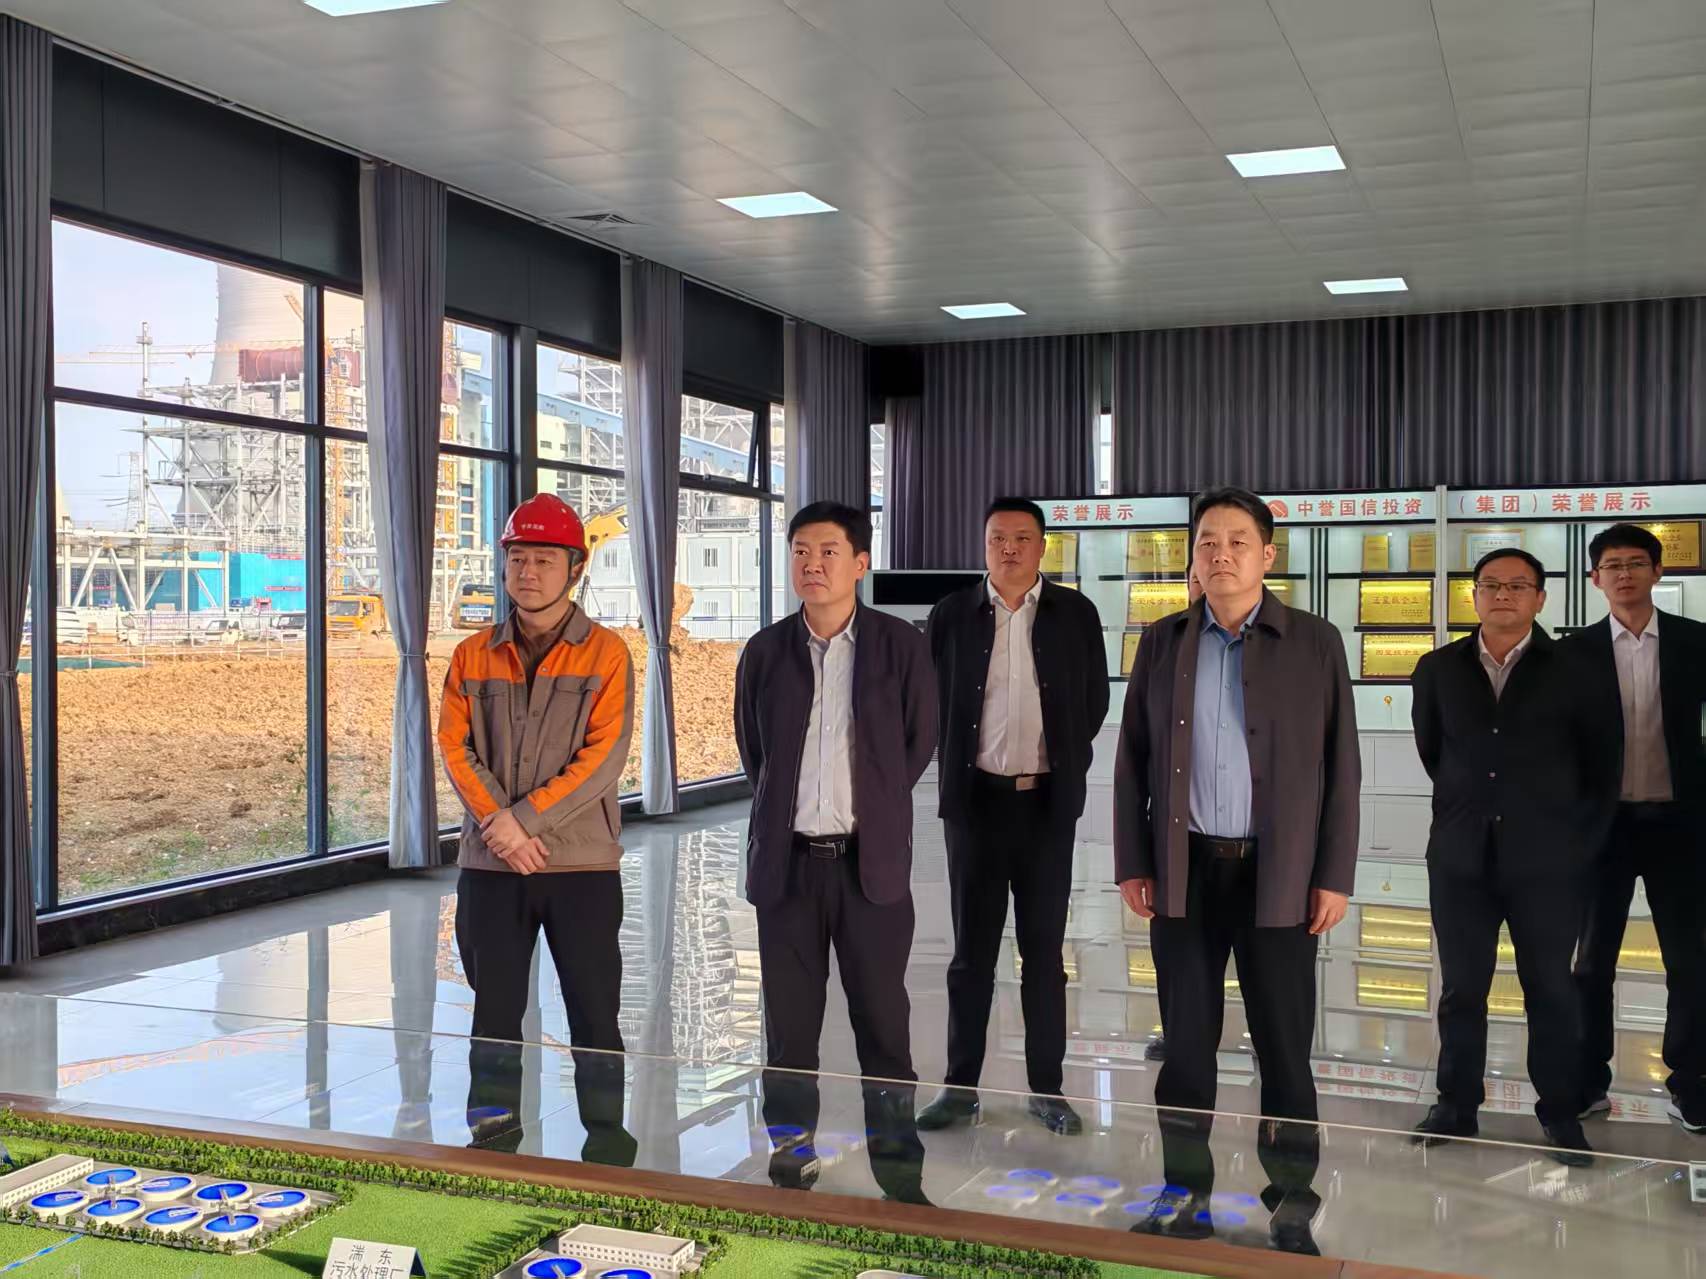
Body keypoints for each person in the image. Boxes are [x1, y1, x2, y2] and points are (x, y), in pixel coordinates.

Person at [1114, 487, 1357, 1254]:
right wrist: (1133, 860)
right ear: (1193, 556)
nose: (1220, 554)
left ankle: (1291, 1198)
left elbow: (1342, 767)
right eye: (1207, 542)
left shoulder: (1314, 642)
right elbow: (1132, 760)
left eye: (1237, 542)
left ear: (1267, 555)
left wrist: (1333, 872)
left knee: (1283, 1046)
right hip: (1185, 870)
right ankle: (1184, 1192)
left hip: (1278, 875)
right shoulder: (1163, 641)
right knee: (1186, 1047)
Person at [734, 500, 937, 1201]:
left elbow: (917, 743)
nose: (812, 564)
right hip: (786, 870)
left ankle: (899, 1169)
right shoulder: (765, 651)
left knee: (883, 1024)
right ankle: (791, 1157)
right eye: (800, 551)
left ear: (860, 563)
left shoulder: (900, 646)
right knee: (790, 1031)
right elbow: (756, 753)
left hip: (868, 868)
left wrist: (871, 805)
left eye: (828, 552)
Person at [1409, 547, 1617, 1164]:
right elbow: (1434, 752)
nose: (1503, 594)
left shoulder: (1578, 670)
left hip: (1548, 864)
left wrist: (1575, 845)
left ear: (1540, 598)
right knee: (1461, 989)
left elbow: (1602, 768)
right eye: (1491, 584)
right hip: (1461, 860)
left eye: (1518, 586)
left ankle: (1560, 1112)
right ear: (1473, 595)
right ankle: (1456, 1105)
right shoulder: (1438, 668)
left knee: (1551, 988)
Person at [916, 498, 1109, 1136]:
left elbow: (1094, 700)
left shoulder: (1075, 613)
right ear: (984, 543)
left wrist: (1066, 757)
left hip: (1046, 807)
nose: (1009, 548)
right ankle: (959, 1088)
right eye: (998, 537)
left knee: (1043, 955)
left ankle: (1047, 1089)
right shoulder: (951, 614)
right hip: (975, 806)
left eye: (1022, 538)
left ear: (1042, 546)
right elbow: (929, 699)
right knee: (970, 956)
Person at [438, 493, 635, 1061]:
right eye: (518, 558)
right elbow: (454, 746)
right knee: (493, 1020)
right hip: (492, 865)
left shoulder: (607, 654)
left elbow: (603, 757)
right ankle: (492, 1119)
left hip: (580, 866)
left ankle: (603, 1119)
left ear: (575, 569)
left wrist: (521, 822)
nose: (528, 572)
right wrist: (501, 827)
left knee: (595, 1022)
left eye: (544, 560)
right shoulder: (472, 654)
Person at [1567, 524, 1706, 1134]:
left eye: (1635, 563)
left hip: (1682, 825)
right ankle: (1586, 1079)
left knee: (1691, 959)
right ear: (1595, 578)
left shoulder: (1696, 643)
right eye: (1611, 565)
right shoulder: (1572, 654)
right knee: (1591, 961)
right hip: (1604, 829)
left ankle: (1691, 1082)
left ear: (1657, 571)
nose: (1623, 574)